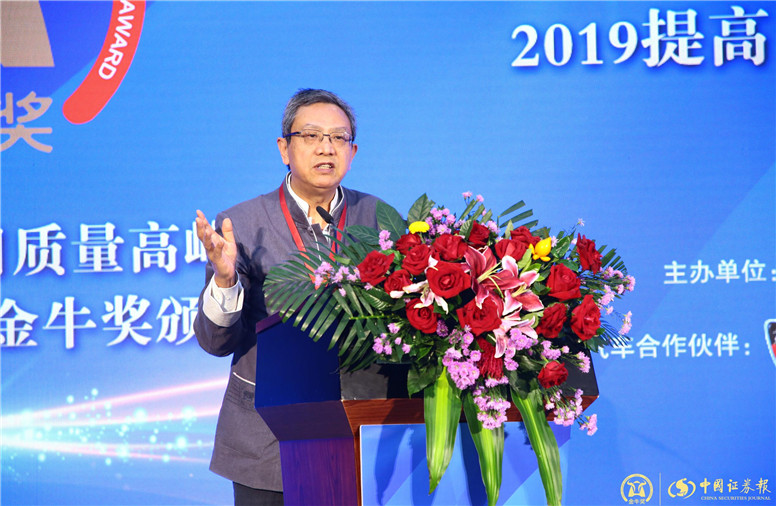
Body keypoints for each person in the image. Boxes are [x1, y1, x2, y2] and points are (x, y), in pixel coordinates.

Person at [193, 89, 381, 505]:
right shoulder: (242, 224)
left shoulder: (379, 219)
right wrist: (225, 279)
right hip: (267, 439)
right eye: (311, 136)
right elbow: (215, 342)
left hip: (363, 433)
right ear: (284, 148)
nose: (326, 148)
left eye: (338, 137)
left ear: (352, 152)